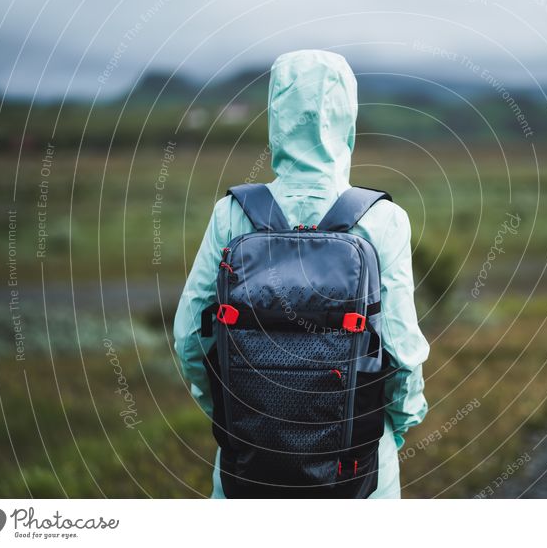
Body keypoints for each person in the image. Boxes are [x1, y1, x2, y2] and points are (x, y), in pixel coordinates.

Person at [173, 49, 429, 498]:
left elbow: (190, 338)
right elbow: (402, 352)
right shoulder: (383, 220)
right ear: (346, 118)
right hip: (360, 464)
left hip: (247, 464)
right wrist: (397, 426)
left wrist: (236, 416)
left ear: (276, 117)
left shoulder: (231, 215)